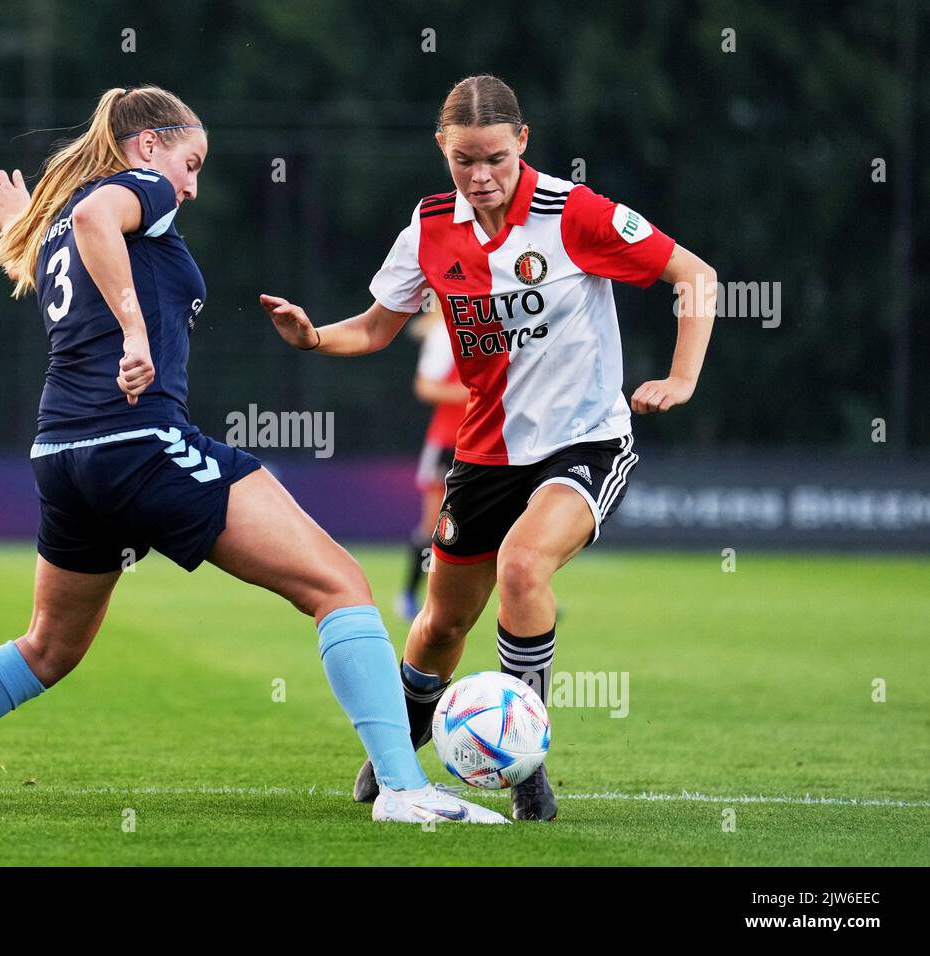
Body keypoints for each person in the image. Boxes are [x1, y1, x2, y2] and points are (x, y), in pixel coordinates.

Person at [0, 85, 508, 825]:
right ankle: (403, 789)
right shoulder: (136, 189)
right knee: (340, 584)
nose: (192, 184)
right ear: (149, 147)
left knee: (48, 647)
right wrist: (137, 333)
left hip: (63, 454)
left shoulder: (63, 229)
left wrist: (24, 222)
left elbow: (74, 232)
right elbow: (91, 216)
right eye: (190, 162)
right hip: (138, 441)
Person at [260, 74, 716, 820]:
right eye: (464, 160)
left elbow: (695, 275)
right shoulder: (431, 225)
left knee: (524, 564)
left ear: (524, 143)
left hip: (586, 442)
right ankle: (401, 751)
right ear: (442, 148)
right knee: (440, 626)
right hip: (484, 453)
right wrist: (314, 336)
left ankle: (525, 765)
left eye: (496, 159)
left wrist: (682, 376)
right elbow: (377, 327)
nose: (481, 178)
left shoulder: (575, 212)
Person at [397, 307, 468, 622]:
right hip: (447, 442)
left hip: (488, 441)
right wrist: (474, 393)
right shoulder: (445, 335)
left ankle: (529, 597)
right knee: (434, 526)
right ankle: (409, 596)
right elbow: (425, 386)